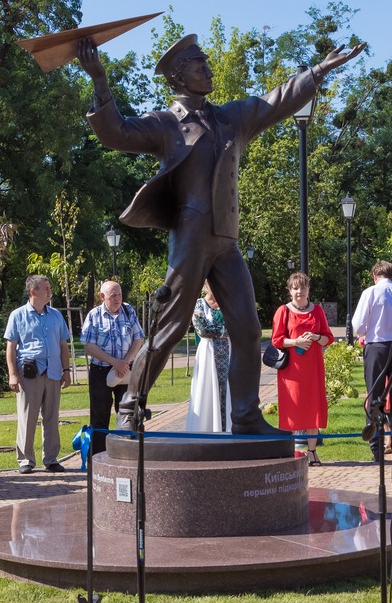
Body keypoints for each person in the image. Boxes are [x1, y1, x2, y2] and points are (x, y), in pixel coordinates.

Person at [76, 33, 364, 433]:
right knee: (170, 329)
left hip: (226, 241)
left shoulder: (231, 117)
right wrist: (99, 81)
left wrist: (318, 71)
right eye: (201, 65)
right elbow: (115, 133)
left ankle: (245, 415)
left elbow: (276, 100)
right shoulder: (166, 124)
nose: (209, 71)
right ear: (180, 76)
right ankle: (130, 407)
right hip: (191, 238)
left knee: (247, 328)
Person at [5, 273, 71, 473]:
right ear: (33, 291)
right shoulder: (18, 315)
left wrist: (66, 370)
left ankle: (51, 459)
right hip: (29, 374)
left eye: (50, 287)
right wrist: (13, 374)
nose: (50, 291)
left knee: (51, 417)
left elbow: (63, 345)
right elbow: (11, 347)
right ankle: (26, 460)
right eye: (46, 288)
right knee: (28, 417)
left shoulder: (56, 315)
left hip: (53, 372)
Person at [351, 261, 392, 461]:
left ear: (375, 275)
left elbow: (358, 324)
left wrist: (364, 332)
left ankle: (376, 449)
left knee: (374, 397)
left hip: (376, 346)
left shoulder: (370, 292)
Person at [273, 272, 332, 462]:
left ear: (308, 289)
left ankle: (312, 452)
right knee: (292, 409)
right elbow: (277, 340)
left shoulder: (317, 311)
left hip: (313, 368)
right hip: (292, 370)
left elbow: (328, 338)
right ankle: (289, 452)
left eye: (303, 287)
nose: (300, 291)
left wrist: (315, 337)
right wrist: (296, 342)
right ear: (290, 290)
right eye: (296, 288)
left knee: (313, 407)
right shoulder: (284, 311)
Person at [80, 280, 144, 454]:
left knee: (127, 414)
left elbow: (138, 339)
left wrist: (125, 362)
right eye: (113, 296)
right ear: (102, 296)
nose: (117, 299)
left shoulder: (128, 310)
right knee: (99, 416)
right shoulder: (94, 315)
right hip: (101, 371)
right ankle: (98, 456)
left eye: (119, 295)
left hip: (126, 371)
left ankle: (126, 453)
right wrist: (115, 362)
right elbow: (89, 346)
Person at [185, 285, 231, 433]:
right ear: (206, 285)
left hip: (228, 352)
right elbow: (202, 330)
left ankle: (227, 429)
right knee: (207, 391)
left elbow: (237, 324)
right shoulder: (199, 304)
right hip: (208, 354)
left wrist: (223, 330)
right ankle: (207, 429)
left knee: (228, 391)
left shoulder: (228, 302)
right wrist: (224, 329)